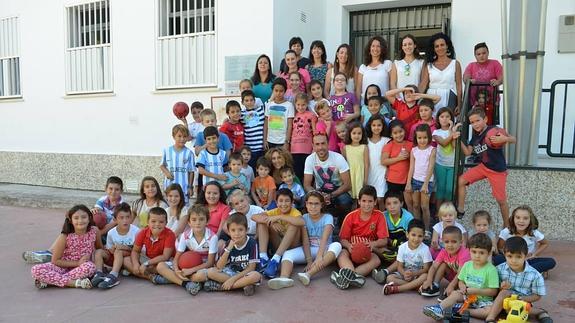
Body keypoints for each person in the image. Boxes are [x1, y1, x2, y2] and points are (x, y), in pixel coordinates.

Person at [267, 191, 342, 289]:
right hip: (310, 250)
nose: (313, 207)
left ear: (321, 205)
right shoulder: (304, 218)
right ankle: (284, 278)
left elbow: (324, 238)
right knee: (288, 254)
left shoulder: (328, 217)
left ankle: (308, 274)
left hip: (325, 249)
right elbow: (305, 241)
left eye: (316, 204)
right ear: (306, 204)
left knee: (337, 245)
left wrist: (319, 257)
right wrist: (309, 261)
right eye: (310, 203)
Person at [457, 107, 516, 228]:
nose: (475, 124)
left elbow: (514, 139)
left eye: (477, 120)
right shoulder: (475, 137)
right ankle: (460, 209)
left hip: (497, 171)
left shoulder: (494, 130)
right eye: (472, 122)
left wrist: (505, 139)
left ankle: (507, 226)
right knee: (461, 180)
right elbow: (468, 152)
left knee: (501, 200)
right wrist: (458, 139)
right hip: (483, 167)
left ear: (485, 119)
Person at [423, 233, 499, 321]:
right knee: (455, 294)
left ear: (489, 253)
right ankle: (439, 308)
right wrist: (462, 286)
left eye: (481, 253)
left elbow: (493, 291)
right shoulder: (467, 265)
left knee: (489, 311)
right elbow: (461, 280)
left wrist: (476, 291)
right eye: (474, 252)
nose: (477, 256)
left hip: (483, 301)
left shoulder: (491, 269)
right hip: (466, 296)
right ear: (469, 251)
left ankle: (463, 311)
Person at [31, 205, 102, 289]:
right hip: (62, 267)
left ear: (89, 218)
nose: (80, 221)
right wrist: (77, 263)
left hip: (82, 268)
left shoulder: (94, 231)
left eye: (84, 217)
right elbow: (55, 260)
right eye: (76, 218)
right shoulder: (65, 236)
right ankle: (75, 283)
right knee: (36, 269)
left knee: (90, 267)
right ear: (71, 220)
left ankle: (50, 281)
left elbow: (99, 248)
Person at [331, 185, 389, 290]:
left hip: (367, 251)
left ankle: (348, 276)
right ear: (359, 201)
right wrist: (349, 246)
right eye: (364, 201)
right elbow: (343, 239)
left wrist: (373, 244)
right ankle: (352, 275)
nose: (367, 204)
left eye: (370, 201)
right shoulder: (351, 216)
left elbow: (384, 240)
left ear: (375, 202)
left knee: (376, 260)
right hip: (352, 249)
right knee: (341, 254)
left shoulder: (379, 216)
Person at [485, 237, 553, 323]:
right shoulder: (498, 269)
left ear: (526, 255)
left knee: (513, 311)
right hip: (501, 300)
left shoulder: (535, 275)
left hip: (522, 302)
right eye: (509, 256)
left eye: (518, 257)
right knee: (504, 293)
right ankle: (490, 319)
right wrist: (501, 287)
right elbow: (493, 289)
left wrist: (520, 298)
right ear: (504, 254)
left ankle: (540, 312)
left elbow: (537, 296)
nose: (514, 260)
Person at [155, 205, 218, 296]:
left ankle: (175, 279)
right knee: (160, 266)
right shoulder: (185, 235)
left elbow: (210, 262)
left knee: (201, 275)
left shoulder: (212, 237)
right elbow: (177, 257)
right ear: (189, 222)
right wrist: (176, 269)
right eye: (194, 219)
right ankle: (187, 283)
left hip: (203, 267)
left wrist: (191, 270)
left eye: (201, 219)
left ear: (207, 221)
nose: (197, 223)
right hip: (187, 266)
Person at [200, 212, 262, 296]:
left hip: (246, 273)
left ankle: (221, 287)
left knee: (256, 276)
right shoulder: (228, 243)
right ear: (228, 232)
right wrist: (228, 249)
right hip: (232, 273)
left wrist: (232, 280)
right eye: (233, 230)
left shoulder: (252, 243)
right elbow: (219, 266)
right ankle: (243, 285)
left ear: (246, 230)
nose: (236, 233)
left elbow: (251, 268)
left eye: (240, 229)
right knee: (211, 272)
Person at [252, 189, 304, 279]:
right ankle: (264, 258)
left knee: (294, 224)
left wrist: (280, 217)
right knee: (262, 222)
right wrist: (272, 222)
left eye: (287, 201)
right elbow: (254, 217)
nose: (283, 204)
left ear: (292, 203)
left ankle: (275, 260)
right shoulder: (275, 211)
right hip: (278, 245)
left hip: (292, 247)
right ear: (276, 202)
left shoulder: (295, 212)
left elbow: (301, 221)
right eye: (281, 201)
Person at [303, 133, 353, 224]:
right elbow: (306, 184)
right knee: (305, 199)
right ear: (313, 146)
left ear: (328, 144)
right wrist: (318, 195)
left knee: (345, 200)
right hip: (320, 190)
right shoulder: (310, 159)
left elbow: (347, 184)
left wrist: (331, 195)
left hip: (338, 190)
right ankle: (313, 226)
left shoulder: (338, 158)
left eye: (323, 143)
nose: (320, 147)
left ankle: (342, 225)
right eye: (317, 144)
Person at [494, 206, 556, 274]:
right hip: (510, 260)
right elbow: (500, 248)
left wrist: (534, 254)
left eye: (525, 218)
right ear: (513, 219)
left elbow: (545, 243)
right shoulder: (507, 232)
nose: (521, 221)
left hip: (526, 260)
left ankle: (517, 272)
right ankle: (529, 272)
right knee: (496, 259)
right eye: (518, 217)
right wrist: (509, 257)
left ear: (530, 220)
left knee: (551, 262)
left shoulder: (534, 233)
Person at [91, 203, 139, 289]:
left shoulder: (136, 231)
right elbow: (109, 249)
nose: (125, 220)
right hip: (115, 258)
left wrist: (125, 247)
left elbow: (138, 251)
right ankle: (99, 273)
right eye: (121, 218)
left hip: (128, 258)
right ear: (115, 219)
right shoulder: (111, 232)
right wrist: (111, 249)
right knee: (99, 252)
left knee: (119, 251)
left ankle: (113, 276)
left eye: (128, 217)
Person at [372, 190, 415, 282]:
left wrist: (397, 245)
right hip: (388, 249)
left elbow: (411, 240)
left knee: (404, 256)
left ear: (402, 203)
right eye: (388, 204)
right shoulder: (383, 216)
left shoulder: (408, 217)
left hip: (402, 250)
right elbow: (380, 237)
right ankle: (388, 267)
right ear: (385, 206)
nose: (392, 206)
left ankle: (385, 271)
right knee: (374, 247)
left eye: (395, 203)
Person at [382, 219, 432, 295]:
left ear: (424, 236)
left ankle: (397, 289)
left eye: (420, 236)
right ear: (407, 234)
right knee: (389, 278)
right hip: (405, 274)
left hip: (417, 275)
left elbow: (426, 269)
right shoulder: (402, 247)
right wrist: (404, 273)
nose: (416, 239)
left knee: (425, 276)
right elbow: (399, 266)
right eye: (413, 235)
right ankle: (416, 287)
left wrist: (414, 274)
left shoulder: (425, 249)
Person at [419, 32, 463, 115]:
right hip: (431, 98)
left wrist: (460, 104)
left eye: (442, 45)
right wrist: (416, 98)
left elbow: (459, 86)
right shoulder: (428, 65)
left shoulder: (455, 63)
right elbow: (423, 84)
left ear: (447, 46)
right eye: (437, 46)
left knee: (448, 123)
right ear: (434, 49)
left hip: (450, 97)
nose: (440, 48)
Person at [420, 226, 470, 298]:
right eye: (447, 242)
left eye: (454, 242)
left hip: (464, 280)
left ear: (461, 242)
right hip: (453, 277)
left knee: (460, 285)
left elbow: (460, 274)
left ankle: (453, 290)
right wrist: (429, 280)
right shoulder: (444, 251)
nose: (450, 245)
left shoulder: (464, 253)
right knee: (443, 264)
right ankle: (435, 285)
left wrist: (451, 286)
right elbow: (434, 266)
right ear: (442, 242)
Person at [130, 207, 175, 284]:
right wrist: (135, 264)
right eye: (153, 221)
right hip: (149, 259)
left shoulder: (170, 234)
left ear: (166, 223)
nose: (157, 224)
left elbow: (165, 256)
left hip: (164, 261)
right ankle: (152, 277)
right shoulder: (143, 232)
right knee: (126, 260)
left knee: (160, 267)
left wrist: (146, 264)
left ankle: (141, 272)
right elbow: (135, 251)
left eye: (161, 222)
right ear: (148, 222)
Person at [405, 123, 436, 236]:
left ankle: (427, 229)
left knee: (424, 206)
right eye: (419, 138)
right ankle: (417, 229)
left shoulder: (432, 150)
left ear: (429, 137)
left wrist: (426, 184)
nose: (422, 140)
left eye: (425, 137)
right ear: (416, 138)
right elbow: (411, 167)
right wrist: (408, 183)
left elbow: (431, 167)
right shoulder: (414, 150)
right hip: (415, 181)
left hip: (426, 182)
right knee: (416, 205)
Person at [463, 42, 503, 124]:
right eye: (478, 54)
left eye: (484, 53)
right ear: (475, 56)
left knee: (490, 123)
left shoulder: (495, 63)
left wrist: (498, 81)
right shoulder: (471, 65)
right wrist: (469, 80)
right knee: (476, 124)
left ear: (488, 53)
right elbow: (465, 77)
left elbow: (502, 77)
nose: (481, 56)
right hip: (475, 103)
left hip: (492, 102)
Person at [432, 107, 461, 208]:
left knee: (449, 189)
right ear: (438, 119)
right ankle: (438, 212)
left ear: (451, 118)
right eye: (442, 116)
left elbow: (453, 146)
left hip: (452, 164)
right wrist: (452, 134)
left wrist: (451, 131)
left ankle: (447, 210)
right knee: (440, 188)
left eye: (447, 116)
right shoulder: (436, 132)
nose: (444, 119)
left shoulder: (452, 131)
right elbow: (443, 143)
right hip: (440, 164)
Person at [381, 119, 413, 210]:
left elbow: (414, 162)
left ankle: (407, 222)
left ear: (404, 131)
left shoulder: (410, 144)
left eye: (400, 131)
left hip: (407, 181)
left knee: (407, 204)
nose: (399, 135)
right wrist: (399, 158)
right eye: (395, 133)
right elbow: (383, 161)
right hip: (393, 180)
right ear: (391, 134)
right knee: (394, 204)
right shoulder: (389, 145)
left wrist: (409, 157)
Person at [160, 124, 195, 204]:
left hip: (183, 188)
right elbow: (162, 165)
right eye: (179, 136)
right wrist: (167, 173)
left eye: (185, 136)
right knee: (169, 208)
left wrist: (190, 187)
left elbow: (191, 172)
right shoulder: (167, 151)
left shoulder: (189, 153)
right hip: (170, 186)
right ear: (173, 136)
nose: (182, 139)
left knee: (183, 209)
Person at [366, 114, 391, 210]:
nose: (376, 128)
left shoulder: (387, 141)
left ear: (383, 126)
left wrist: (389, 170)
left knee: (381, 199)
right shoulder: (366, 141)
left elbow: (390, 157)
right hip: (370, 173)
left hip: (382, 172)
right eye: (374, 125)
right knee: (371, 199)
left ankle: (382, 221)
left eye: (379, 125)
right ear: (370, 126)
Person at [358, 36, 393, 102]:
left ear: (382, 49)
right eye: (373, 46)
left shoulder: (388, 64)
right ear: (369, 48)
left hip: (383, 103)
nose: (375, 48)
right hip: (366, 105)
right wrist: (358, 105)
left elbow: (392, 85)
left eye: (378, 46)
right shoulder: (363, 67)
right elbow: (358, 89)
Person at [290, 92, 317, 180]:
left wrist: (314, 148)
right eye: (298, 104)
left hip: (307, 149)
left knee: (307, 173)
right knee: (297, 173)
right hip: (294, 149)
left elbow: (315, 132)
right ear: (295, 104)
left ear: (307, 104)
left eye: (303, 105)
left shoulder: (311, 115)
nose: (300, 107)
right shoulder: (293, 115)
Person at [341, 121, 369, 203]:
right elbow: (344, 165)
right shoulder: (346, 148)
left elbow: (367, 165)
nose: (356, 136)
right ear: (349, 134)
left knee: (360, 197)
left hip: (360, 175)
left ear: (362, 134)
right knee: (351, 197)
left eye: (359, 133)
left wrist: (365, 180)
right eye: (354, 133)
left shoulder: (364, 147)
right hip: (350, 175)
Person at [264, 78, 294, 151]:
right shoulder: (268, 105)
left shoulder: (289, 105)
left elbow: (290, 125)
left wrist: (287, 142)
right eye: (276, 90)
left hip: (282, 142)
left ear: (285, 91)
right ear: (273, 90)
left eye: (281, 91)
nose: (278, 93)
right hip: (270, 140)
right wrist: (265, 140)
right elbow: (266, 124)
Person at [241, 90, 266, 168]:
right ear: (242, 102)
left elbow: (270, 102)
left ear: (255, 101)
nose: (249, 102)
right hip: (249, 151)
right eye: (246, 100)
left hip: (261, 149)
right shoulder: (241, 115)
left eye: (251, 100)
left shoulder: (261, 111)